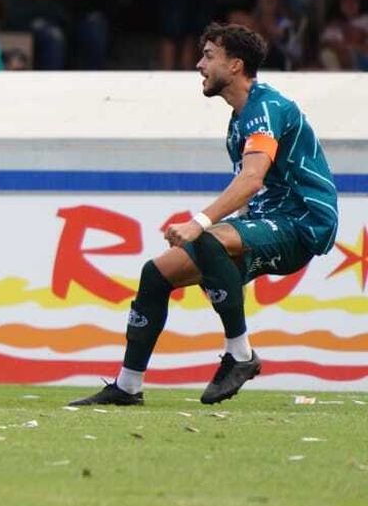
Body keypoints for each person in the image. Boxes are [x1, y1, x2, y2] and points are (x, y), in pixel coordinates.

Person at [70, 23, 338, 407]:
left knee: (208, 238)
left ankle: (241, 356)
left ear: (235, 66)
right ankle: (128, 386)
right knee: (156, 273)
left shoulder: (265, 108)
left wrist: (198, 222)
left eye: (209, 56)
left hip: (302, 222)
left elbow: (252, 179)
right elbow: (249, 192)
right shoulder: (238, 122)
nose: (199, 64)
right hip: (268, 218)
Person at [319, 0, 368, 71]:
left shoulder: (365, 20)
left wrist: (349, 46)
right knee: (326, 54)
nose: (350, 4)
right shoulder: (333, 26)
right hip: (344, 67)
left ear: (360, 1)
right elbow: (326, 45)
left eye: (354, 0)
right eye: (345, 1)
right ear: (339, 4)